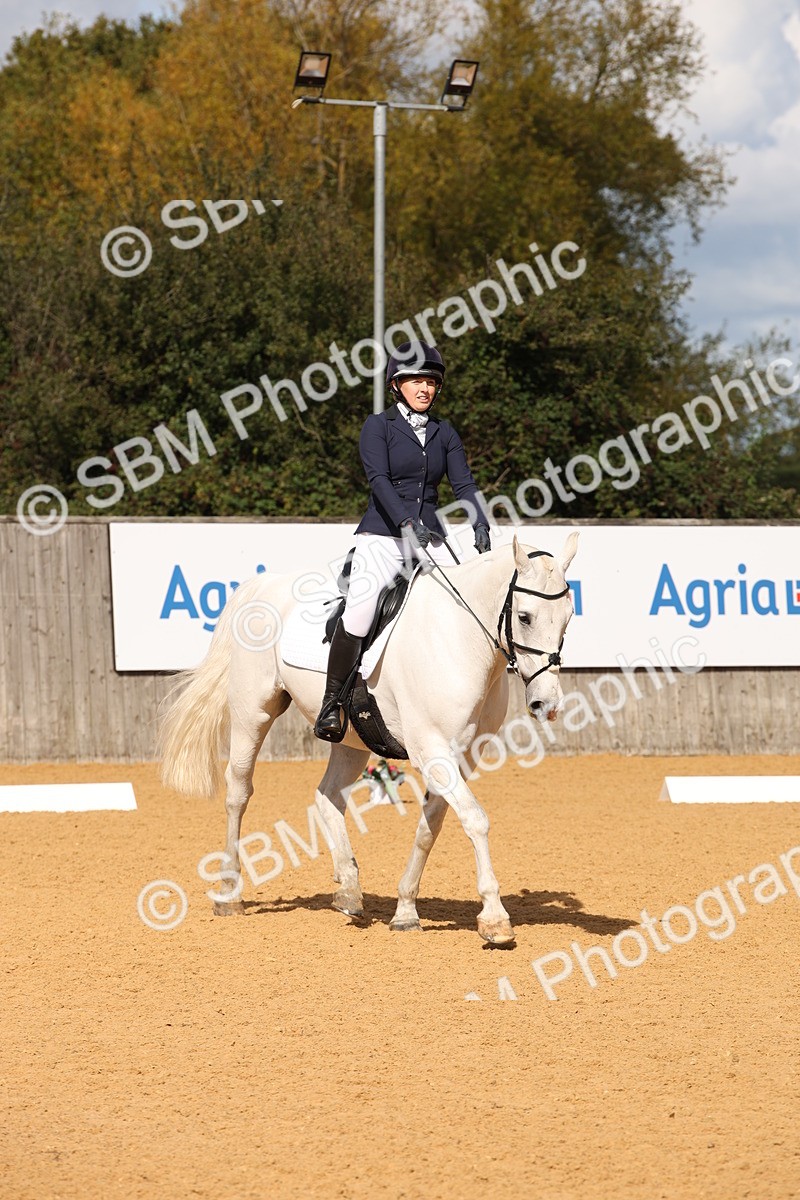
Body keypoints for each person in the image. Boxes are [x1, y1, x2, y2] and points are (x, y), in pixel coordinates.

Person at [314, 340, 491, 740]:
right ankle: (331, 703)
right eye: (415, 380)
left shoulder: (445, 433)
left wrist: (481, 521)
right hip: (384, 533)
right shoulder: (378, 426)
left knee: (463, 604)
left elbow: (463, 482)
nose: (425, 388)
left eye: (431, 381)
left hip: (430, 536)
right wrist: (407, 521)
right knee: (360, 609)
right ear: (397, 385)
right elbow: (378, 481)